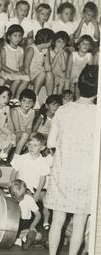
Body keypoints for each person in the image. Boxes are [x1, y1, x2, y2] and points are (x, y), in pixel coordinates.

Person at [45, 65, 98, 255]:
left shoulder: (63, 110)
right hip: (85, 176)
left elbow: (51, 142)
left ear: (78, 85)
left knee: (57, 221)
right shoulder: (97, 114)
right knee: (79, 223)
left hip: (63, 172)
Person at [10, 132, 51, 230]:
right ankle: (22, 222)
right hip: (23, 186)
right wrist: (12, 185)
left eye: (35, 145)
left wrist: (37, 193)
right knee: (25, 198)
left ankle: (46, 221)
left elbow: (42, 179)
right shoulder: (22, 158)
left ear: (42, 148)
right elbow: (13, 174)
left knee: (46, 199)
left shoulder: (43, 161)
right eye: (30, 145)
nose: (31, 147)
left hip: (38, 188)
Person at [9, 179, 42, 249]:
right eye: (15, 197)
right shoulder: (8, 198)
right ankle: (21, 240)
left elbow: (38, 215)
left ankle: (20, 240)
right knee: (7, 234)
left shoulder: (28, 199)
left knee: (38, 236)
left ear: (25, 192)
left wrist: (32, 226)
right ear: (11, 194)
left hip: (25, 224)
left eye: (21, 196)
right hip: (12, 224)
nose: (19, 199)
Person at [0, 24, 29, 102]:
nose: (18, 38)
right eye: (15, 35)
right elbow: (3, 66)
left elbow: (20, 65)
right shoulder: (5, 49)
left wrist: (21, 71)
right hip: (7, 72)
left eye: (20, 36)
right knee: (18, 79)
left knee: (27, 78)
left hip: (15, 73)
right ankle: (10, 98)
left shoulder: (21, 50)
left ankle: (17, 98)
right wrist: (13, 72)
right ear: (9, 37)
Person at [25, 28, 54, 99]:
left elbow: (48, 67)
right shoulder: (31, 49)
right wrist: (27, 80)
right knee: (42, 73)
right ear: (46, 41)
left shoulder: (46, 50)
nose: (51, 43)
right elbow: (26, 67)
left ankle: (49, 98)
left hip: (40, 72)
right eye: (51, 42)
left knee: (49, 73)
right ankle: (35, 97)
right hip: (30, 74)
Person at [68, 35, 94, 99]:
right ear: (78, 45)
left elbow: (90, 71)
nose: (85, 45)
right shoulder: (73, 55)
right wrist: (68, 80)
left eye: (88, 44)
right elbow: (68, 70)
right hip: (73, 77)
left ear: (90, 47)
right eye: (83, 43)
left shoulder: (89, 56)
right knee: (77, 83)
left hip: (83, 78)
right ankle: (77, 100)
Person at [11, 89, 36, 155]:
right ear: (20, 101)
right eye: (24, 101)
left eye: (30, 101)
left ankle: (25, 155)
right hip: (14, 132)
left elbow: (29, 127)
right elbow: (17, 130)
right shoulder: (15, 111)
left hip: (25, 132)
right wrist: (26, 135)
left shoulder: (32, 111)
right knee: (25, 135)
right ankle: (16, 155)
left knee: (34, 136)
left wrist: (29, 136)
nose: (27, 103)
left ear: (33, 103)